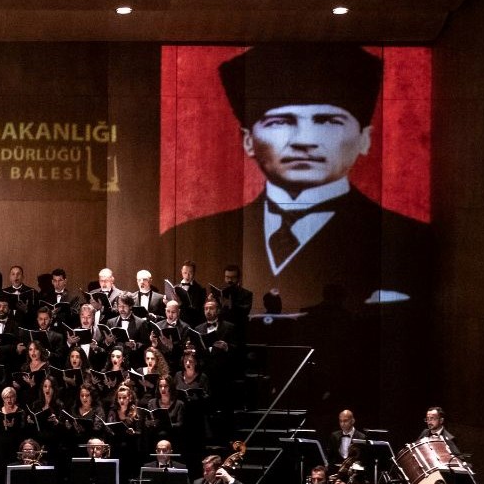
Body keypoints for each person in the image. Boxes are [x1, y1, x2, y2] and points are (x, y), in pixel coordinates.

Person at [165, 43, 426, 310]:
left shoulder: (408, 239)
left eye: (328, 121)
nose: (304, 141)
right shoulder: (187, 232)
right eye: (280, 122)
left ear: (364, 138)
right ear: (248, 140)